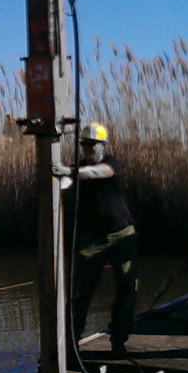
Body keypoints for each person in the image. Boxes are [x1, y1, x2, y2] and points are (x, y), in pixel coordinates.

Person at [51, 121, 138, 356]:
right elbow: (66, 181)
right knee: (79, 294)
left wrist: (69, 172)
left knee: (127, 288)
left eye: (92, 145)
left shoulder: (112, 164)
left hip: (121, 234)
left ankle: (118, 342)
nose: (87, 149)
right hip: (91, 240)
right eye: (84, 144)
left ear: (103, 146)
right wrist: (59, 177)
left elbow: (97, 172)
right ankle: (70, 345)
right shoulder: (78, 168)